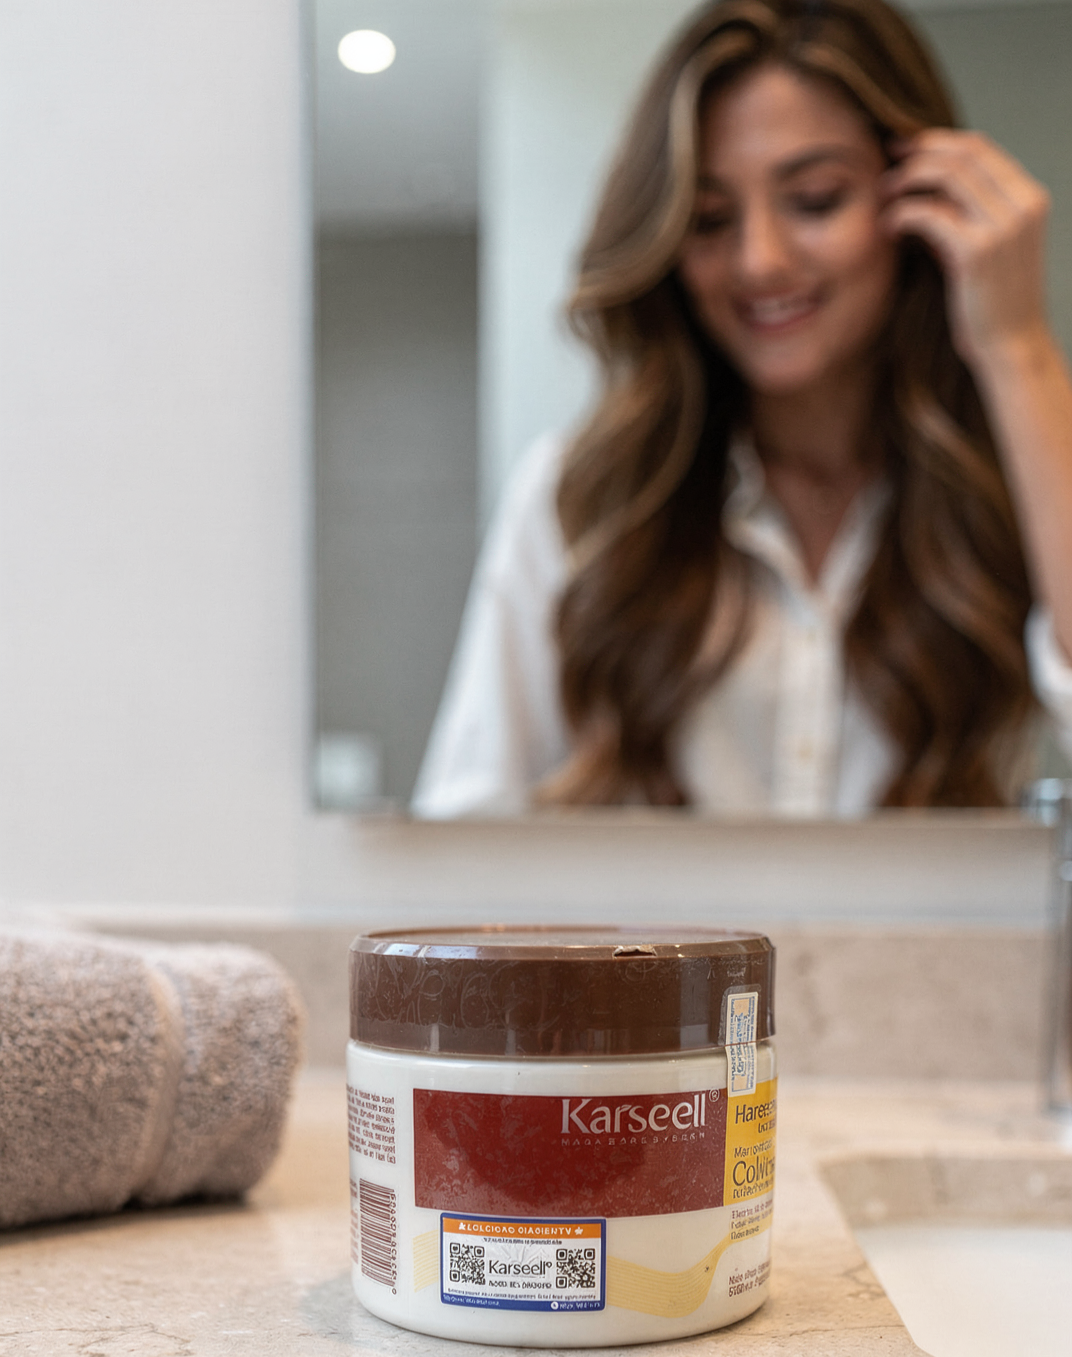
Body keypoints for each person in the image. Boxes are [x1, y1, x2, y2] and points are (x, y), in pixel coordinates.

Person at [412, 0, 1072, 818]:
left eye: (815, 200)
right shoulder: (580, 499)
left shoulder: (1018, 481)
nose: (759, 261)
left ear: (920, 203)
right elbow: (465, 824)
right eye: (711, 219)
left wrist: (1018, 345)